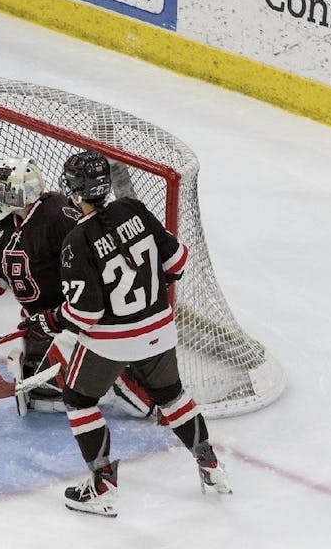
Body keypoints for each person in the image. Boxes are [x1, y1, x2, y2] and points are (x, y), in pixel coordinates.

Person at [31, 150, 232, 517]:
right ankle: (211, 465)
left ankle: (103, 487)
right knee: (171, 396)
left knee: (79, 399)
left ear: (74, 191)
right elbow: (179, 262)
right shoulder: (134, 209)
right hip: (159, 329)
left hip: (112, 341)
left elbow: (85, 313)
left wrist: (50, 320)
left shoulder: (77, 240)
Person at [0, 157, 155, 416]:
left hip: (79, 319)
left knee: (130, 397)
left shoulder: (59, 216)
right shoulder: (0, 225)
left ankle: (121, 378)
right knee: (41, 395)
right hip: (39, 322)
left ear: (23, 192)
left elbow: (98, 264)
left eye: (4, 189)